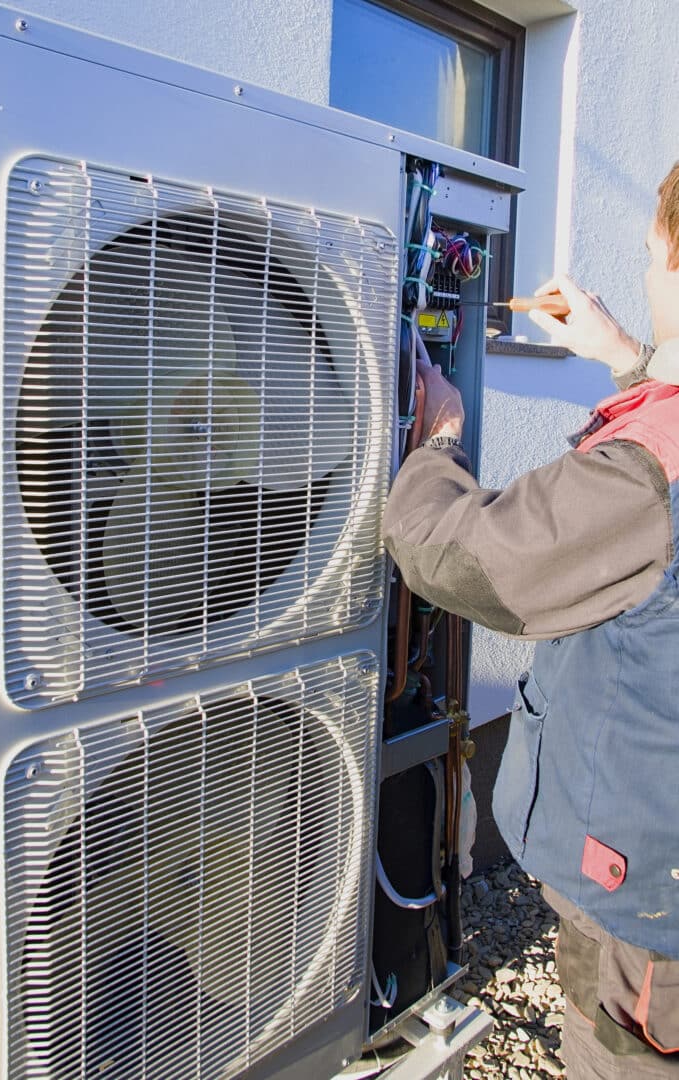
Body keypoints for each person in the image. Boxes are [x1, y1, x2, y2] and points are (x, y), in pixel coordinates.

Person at [382, 162, 679, 1078]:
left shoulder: (646, 475)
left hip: (649, 905)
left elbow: (457, 556)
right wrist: (626, 356)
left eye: (647, 253)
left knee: (614, 1050)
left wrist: (436, 440)